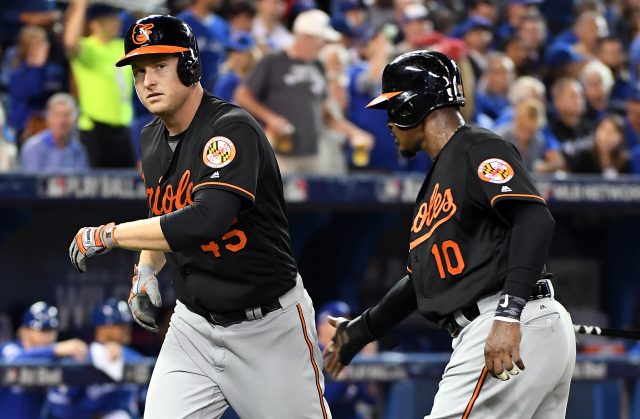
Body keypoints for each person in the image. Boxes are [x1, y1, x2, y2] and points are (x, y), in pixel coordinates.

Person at [67, 15, 331, 419]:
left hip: (268, 327)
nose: (147, 81)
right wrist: (145, 270)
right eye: (139, 72)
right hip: (193, 328)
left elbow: (208, 219)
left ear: (190, 66)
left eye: (159, 66)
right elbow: (165, 213)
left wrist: (111, 235)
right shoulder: (151, 137)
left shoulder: (231, 128)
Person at [323, 50, 576, 418]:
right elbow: (418, 281)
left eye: (393, 109)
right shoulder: (437, 179)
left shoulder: (477, 146)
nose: (389, 124)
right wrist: (362, 329)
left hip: (504, 321)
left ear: (413, 106)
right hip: (523, 325)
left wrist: (508, 316)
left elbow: (534, 219)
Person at [64, 0, 136, 168]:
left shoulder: (121, 47)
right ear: (95, 23)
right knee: (94, 187)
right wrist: (80, 5)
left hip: (123, 127)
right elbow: (70, 43)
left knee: (128, 187)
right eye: (111, 18)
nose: (117, 22)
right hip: (94, 129)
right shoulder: (89, 49)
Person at [45, 299, 143, 419]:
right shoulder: (81, 358)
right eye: (119, 325)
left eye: (127, 324)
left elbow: (145, 399)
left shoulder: (134, 357)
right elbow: (58, 405)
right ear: (102, 327)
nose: (126, 329)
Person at [0, 302, 88, 419]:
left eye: (51, 330)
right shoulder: (9, 349)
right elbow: (15, 360)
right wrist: (55, 349)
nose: (48, 336)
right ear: (24, 331)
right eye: (42, 330)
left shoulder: (56, 358)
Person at [20, 93, 88, 173]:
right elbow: (32, 182)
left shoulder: (79, 150)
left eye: (67, 115)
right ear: (48, 118)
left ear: (75, 119)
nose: (62, 121)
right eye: (57, 115)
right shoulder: (33, 148)